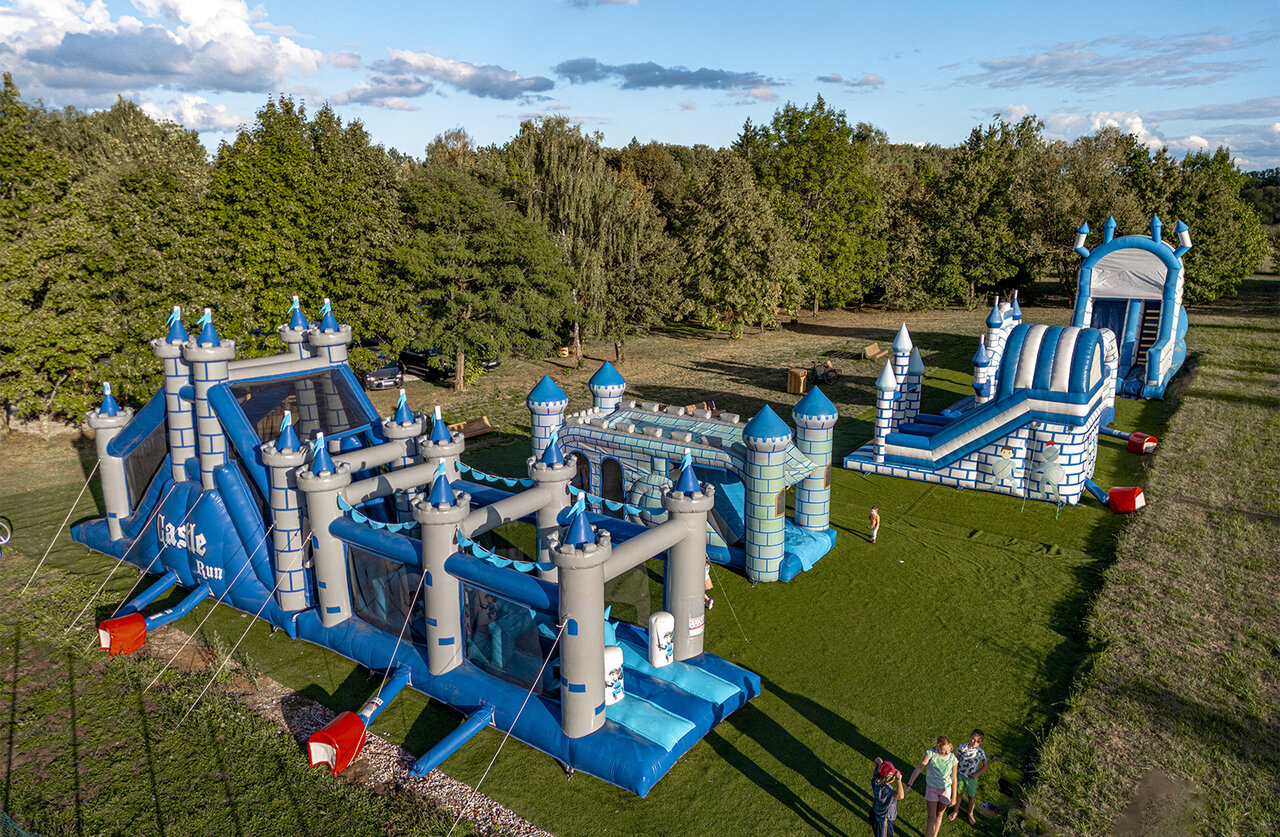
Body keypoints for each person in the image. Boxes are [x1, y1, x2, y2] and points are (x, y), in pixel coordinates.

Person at [907, 735, 958, 837]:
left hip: (946, 790)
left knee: (939, 815)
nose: (947, 753)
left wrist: (954, 797)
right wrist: (909, 785)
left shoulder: (952, 758)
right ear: (938, 747)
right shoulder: (931, 754)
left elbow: (954, 778)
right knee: (931, 817)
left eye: (948, 749)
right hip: (932, 789)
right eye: (944, 750)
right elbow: (919, 769)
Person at [949, 729, 988, 825]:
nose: (975, 742)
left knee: (971, 797)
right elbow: (956, 760)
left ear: (981, 742)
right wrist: (953, 773)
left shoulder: (980, 752)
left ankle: (970, 814)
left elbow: (985, 765)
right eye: (973, 739)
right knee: (958, 794)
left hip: (971, 779)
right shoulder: (962, 747)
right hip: (960, 776)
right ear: (970, 737)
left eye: (978, 741)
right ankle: (956, 811)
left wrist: (976, 774)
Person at [871, 757, 906, 837]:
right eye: (893, 775)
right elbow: (900, 796)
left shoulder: (876, 779)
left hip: (875, 813)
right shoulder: (886, 791)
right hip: (884, 820)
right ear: (888, 778)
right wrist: (898, 780)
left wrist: (882, 766)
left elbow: (877, 759)